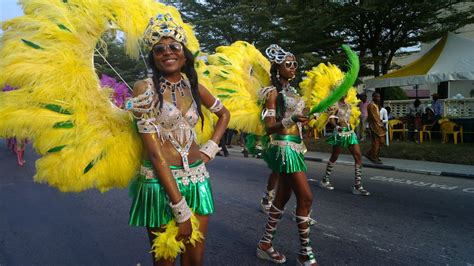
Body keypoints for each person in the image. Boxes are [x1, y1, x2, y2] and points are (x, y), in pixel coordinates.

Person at [127, 13, 230, 265]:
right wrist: (180, 207)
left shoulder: (194, 87)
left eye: (174, 46)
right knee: (166, 259)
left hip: (197, 180)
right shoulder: (144, 89)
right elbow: (154, 154)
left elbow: (224, 114)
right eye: (159, 49)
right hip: (160, 185)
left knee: (195, 259)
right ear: (153, 57)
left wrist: (210, 149)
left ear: (184, 54)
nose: (167, 52)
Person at [256, 44, 317, 265]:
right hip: (283, 148)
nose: (293, 68)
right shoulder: (272, 93)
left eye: (295, 64)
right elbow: (269, 126)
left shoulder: (294, 92)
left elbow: (298, 117)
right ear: (277, 67)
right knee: (306, 197)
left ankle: (265, 243)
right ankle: (305, 253)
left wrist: (310, 116)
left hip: (296, 146)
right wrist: (292, 119)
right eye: (288, 64)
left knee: (282, 198)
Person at [318, 96, 370, 196]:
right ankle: (325, 180)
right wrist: (337, 127)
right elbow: (332, 119)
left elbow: (350, 118)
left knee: (358, 156)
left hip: (350, 133)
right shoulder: (334, 105)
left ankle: (357, 186)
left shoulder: (348, 105)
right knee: (335, 156)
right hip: (339, 133)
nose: (344, 93)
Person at [365, 92, 386, 163]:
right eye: (377, 97)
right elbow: (375, 117)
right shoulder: (371, 105)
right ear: (373, 97)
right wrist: (382, 125)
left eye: (379, 97)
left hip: (378, 126)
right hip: (374, 126)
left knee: (381, 142)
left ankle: (370, 154)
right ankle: (374, 157)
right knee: (376, 142)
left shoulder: (376, 105)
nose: (379, 99)